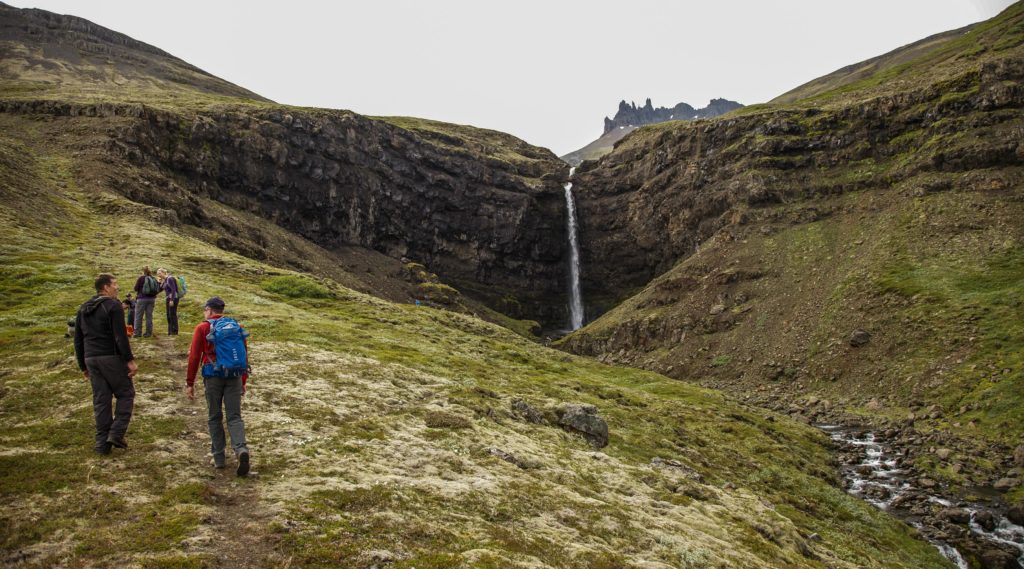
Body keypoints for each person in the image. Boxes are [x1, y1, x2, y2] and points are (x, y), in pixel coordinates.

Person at [186, 297, 251, 476]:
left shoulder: (203, 328)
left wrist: (190, 383)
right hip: (234, 376)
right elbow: (243, 355)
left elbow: (194, 356)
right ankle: (241, 450)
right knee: (234, 416)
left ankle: (219, 457)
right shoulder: (236, 327)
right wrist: (243, 381)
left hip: (212, 376)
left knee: (214, 416)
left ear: (209, 309)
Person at [74, 273, 138, 454]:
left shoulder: (84, 308)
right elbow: (120, 336)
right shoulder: (113, 306)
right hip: (110, 357)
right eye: (115, 284)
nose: (117, 287)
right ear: (105, 287)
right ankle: (116, 433)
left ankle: (102, 445)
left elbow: (78, 339)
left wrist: (83, 365)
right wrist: (129, 360)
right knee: (126, 394)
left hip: (91, 358)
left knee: (101, 400)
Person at [132, 266, 159, 338]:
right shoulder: (153, 278)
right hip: (152, 299)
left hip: (141, 299)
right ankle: (148, 333)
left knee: (138, 316)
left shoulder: (141, 278)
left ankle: (137, 333)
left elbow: (135, 288)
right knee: (149, 316)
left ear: (143, 271)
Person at [157, 268, 179, 335]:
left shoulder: (170, 278)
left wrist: (172, 300)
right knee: (168, 315)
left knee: (172, 314)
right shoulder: (165, 280)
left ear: (164, 273)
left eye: (160, 273)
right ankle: (170, 331)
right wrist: (159, 282)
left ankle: (174, 331)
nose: (158, 275)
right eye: (158, 273)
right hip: (168, 298)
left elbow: (173, 290)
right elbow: (159, 290)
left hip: (173, 298)